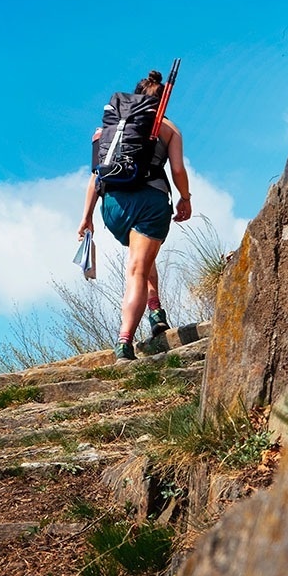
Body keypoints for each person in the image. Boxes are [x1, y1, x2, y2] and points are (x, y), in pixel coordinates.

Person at [77, 70, 193, 361]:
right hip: (149, 202)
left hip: (113, 206)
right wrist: (185, 198)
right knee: (138, 269)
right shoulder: (168, 128)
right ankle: (125, 341)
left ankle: (156, 312)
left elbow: (96, 175)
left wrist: (87, 216)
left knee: (141, 258)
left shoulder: (109, 128)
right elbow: (177, 170)